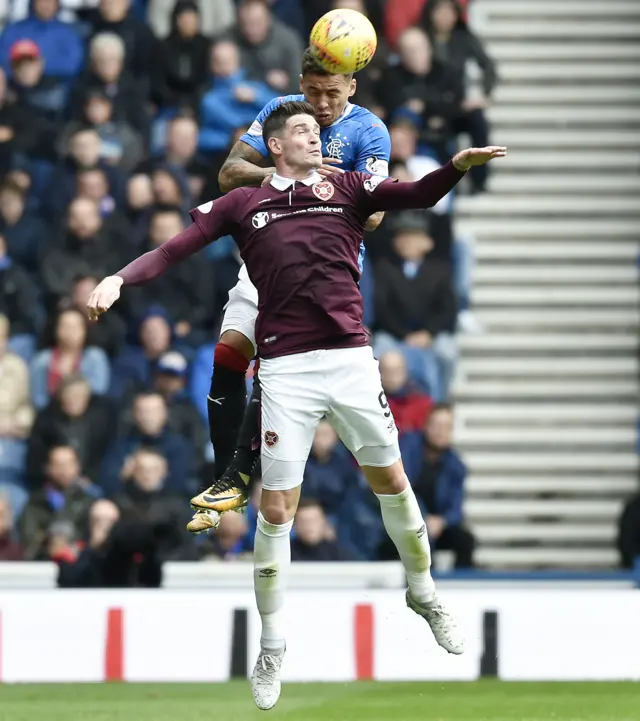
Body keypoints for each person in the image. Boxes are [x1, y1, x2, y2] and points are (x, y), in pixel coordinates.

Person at [86, 100, 504, 709]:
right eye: (305, 131)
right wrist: (119, 278)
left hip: (351, 361)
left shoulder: (350, 186)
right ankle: (273, 645)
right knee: (277, 507)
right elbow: (176, 248)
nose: (318, 137)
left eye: (318, 130)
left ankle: (424, 592)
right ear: (276, 146)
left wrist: (457, 167)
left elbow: (415, 194)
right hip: (286, 369)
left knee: (394, 483)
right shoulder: (242, 205)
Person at [194, 48, 393, 530]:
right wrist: (283, 177)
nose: (320, 104)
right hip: (266, 258)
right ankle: (228, 476)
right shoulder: (281, 114)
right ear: (300, 83)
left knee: (274, 363)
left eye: (331, 93)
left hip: (323, 273)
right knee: (227, 356)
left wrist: (332, 186)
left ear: (352, 87)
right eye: (312, 91)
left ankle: (241, 473)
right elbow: (228, 174)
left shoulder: (370, 131)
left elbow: (377, 214)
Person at [398, 403, 475, 569]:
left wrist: (441, 521)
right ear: (426, 425)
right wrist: (422, 518)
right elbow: (401, 488)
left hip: (435, 526)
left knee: (465, 540)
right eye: (437, 425)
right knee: (421, 538)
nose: (441, 432)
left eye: (447, 427)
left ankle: (462, 587)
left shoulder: (456, 465)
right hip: (404, 520)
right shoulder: (408, 447)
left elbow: (456, 508)